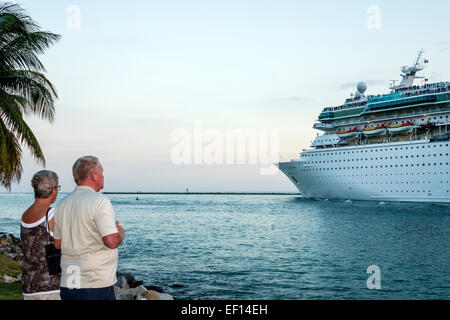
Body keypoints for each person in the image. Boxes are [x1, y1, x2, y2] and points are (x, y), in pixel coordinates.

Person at [53, 156, 125, 300]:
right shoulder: (99, 201)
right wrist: (120, 234)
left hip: (69, 282)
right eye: (102, 172)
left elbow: (57, 244)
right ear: (93, 174)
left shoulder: (63, 203)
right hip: (95, 284)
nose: (103, 177)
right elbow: (111, 241)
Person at [20, 170, 61, 300]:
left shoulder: (25, 215)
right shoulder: (53, 214)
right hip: (50, 287)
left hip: (29, 286)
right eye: (57, 187)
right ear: (53, 190)